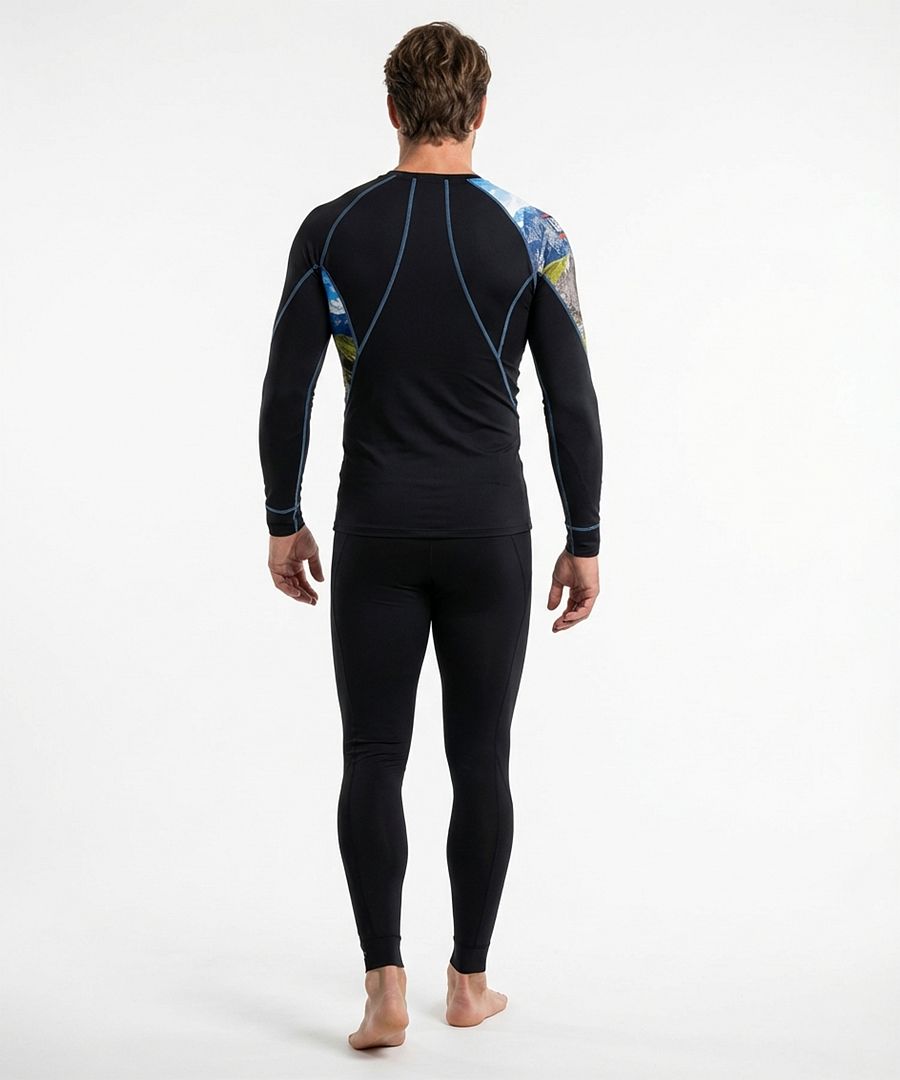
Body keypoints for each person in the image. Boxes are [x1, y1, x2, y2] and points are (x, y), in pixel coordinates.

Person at [258, 20, 604, 1051]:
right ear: (481, 110)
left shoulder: (332, 229)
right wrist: (584, 535)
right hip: (491, 531)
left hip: (375, 524)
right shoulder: (534, 233)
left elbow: (286, 389)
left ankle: (383, 989)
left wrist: (283, 519)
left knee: (372, 753)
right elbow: (572, 402)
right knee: (480, 756)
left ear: (392, 109)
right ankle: (469, 982)